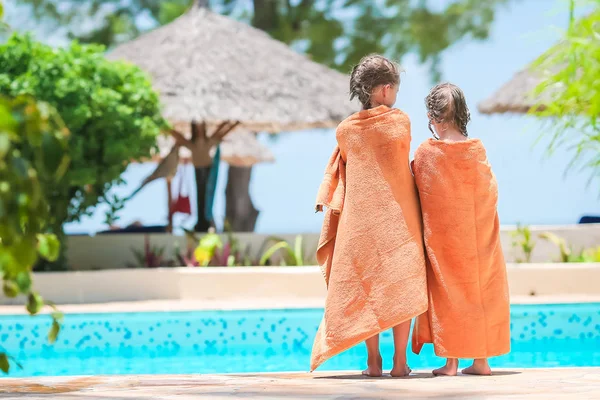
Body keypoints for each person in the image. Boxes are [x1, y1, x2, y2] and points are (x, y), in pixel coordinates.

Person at [311, 55, 427, 377]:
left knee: (369, 290)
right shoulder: (400, 122)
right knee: (401, 287)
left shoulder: (345, 131)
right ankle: (400, 363)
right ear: (386, 90)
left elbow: (346, 165)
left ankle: (373, 361)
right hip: (399, 222)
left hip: (358, 224)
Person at [411, 83, 511, 376]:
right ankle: (481, 361)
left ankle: (451, 362)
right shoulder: (476, 148)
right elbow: (489, 189)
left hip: (444, 238)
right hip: (478, 234)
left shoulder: (428, 152)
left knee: (447, 292)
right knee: (482, 291)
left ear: (432, 116)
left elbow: (419, 186)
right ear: (463, 113)